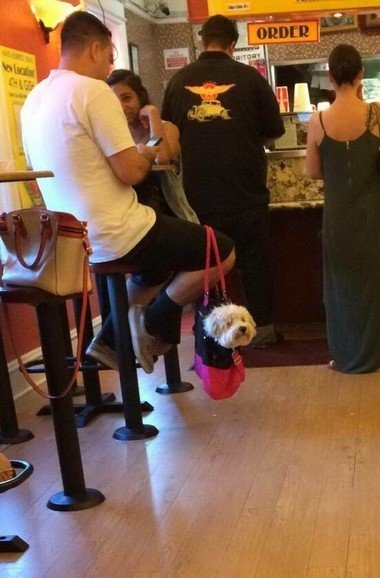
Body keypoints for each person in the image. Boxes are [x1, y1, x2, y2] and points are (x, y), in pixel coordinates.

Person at [21, 11, 235, 375]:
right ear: (95, 48)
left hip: (73, 237)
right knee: (222, 251)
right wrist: (147, 152)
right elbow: (132, 172)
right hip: (118, 231)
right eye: (109, 57)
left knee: (156, 268)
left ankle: (110, 337)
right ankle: (151, 323)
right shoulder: (92, 91)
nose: (109, 67)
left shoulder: (35, 98)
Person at [161, 14, 285, 348]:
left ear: (202, 40)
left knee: (207, 269)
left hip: (199, 196)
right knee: (255, 265)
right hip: (247, 191)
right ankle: (263, 332)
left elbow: (168, 140)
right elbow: (274, 132)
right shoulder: (251, 78)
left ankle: (211, 337)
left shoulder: (178, 82)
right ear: (233, 43)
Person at [306, 44, 380, 373]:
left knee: (341, 287)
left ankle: (344, 356)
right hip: (373, 212)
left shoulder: (318, 120)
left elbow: (312, 172)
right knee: (375, 282)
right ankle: (373, 355)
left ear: (330, 77)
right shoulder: (375, 115)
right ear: (361, 74)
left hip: (338, 214)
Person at [106, 69, 199, 222]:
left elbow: (161, 158)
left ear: (140, 97)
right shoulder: (117, 135)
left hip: (169, 213)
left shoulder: (166, 128)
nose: (121, 106)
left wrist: (153, 115)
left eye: (127, 98)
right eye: (114, 101)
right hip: (131, 215)